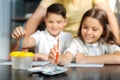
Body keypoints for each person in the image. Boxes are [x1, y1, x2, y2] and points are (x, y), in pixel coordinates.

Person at [21, 0, 120, 44]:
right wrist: (19, 46)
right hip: (61, 37)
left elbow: (109, 16)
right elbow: (35, 18)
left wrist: (118, 43)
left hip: (82, 39)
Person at [48, 8, 120, 65]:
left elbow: (118, 58)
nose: (88, 32)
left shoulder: (107, 43)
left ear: (103, 31)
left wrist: (86, 59)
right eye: (85, 27)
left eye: (94, 29)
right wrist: (58, 59)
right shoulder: (77, 43)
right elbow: (67, 57)